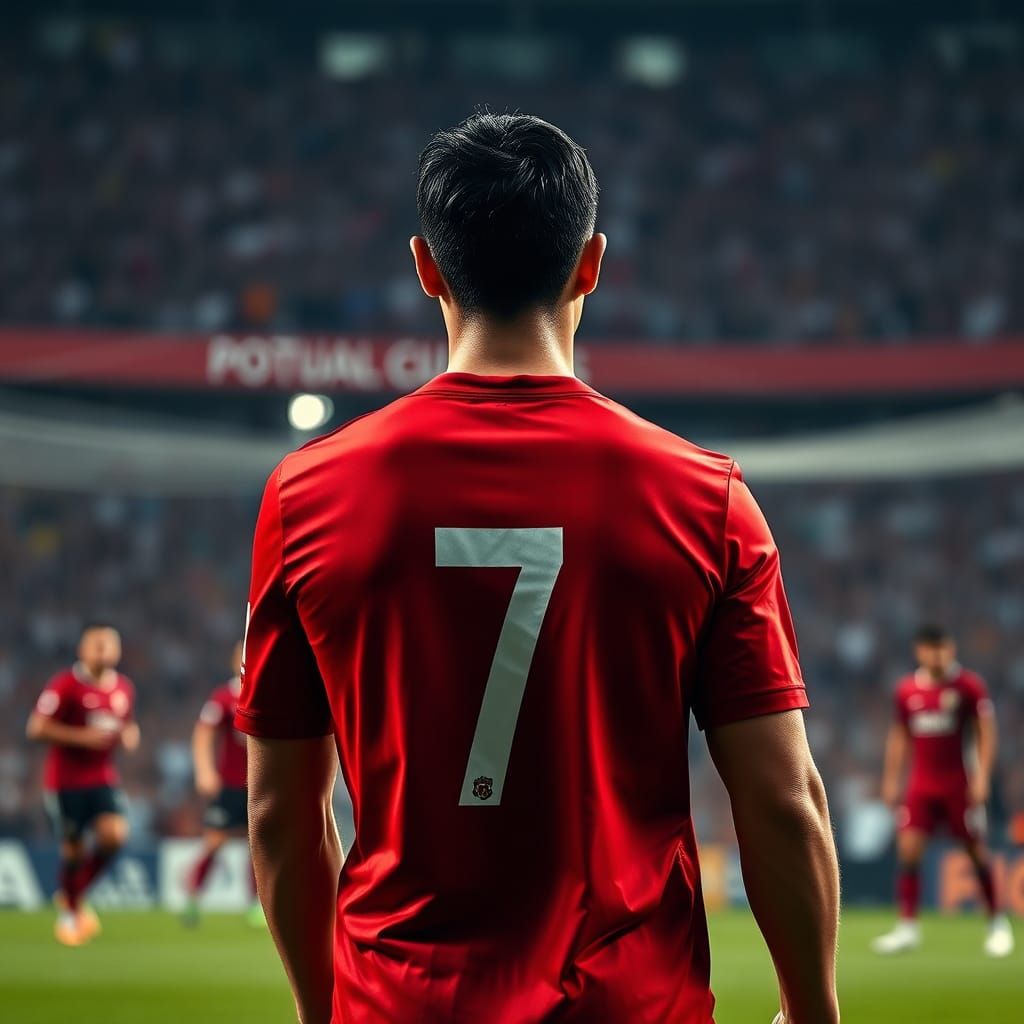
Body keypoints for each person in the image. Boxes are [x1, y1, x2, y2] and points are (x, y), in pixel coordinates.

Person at [238, 113, 840, 1024]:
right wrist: (810, 1009)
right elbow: (781, 799)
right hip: (631, 1004)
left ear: (426, 268)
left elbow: (282, 813)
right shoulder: (705, 498)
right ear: (591, 264)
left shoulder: (308, 495)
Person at [873, 625, 1014, 957]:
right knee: (908, 850)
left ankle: (997, 923)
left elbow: (985, 733)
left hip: (958, 784)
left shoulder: (968, 687)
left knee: (975, 851)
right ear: (919, 651)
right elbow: (899, 736)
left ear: (951, 650)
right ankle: (907, 927)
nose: (936, 655)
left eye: (942, 648)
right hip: (921, 785)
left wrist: (981, 777)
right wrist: (892, 778)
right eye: (930, 649)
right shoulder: (907, 691)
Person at [26, 622, 139, 946]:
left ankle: (72, 896)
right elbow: (36, 728)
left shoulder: (123, 689)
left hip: (102, 778)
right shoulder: (65, 685)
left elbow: (125, 725)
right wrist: (81, 737)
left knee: (114, 836)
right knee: (73, 850)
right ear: (83, 649)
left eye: (109, 644)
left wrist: (130, 734)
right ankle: (72, 910)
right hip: (65, 781)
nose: (104, 649)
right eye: (97, 643)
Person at [182, 641, 263, 927]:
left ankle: (256, 904)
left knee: (258, 846)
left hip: (260, 785)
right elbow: (204, 732)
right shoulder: (225, 696)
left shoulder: (269, 692)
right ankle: (192, 897)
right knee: (215, 842)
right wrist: (204, 770)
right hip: (230, 784)